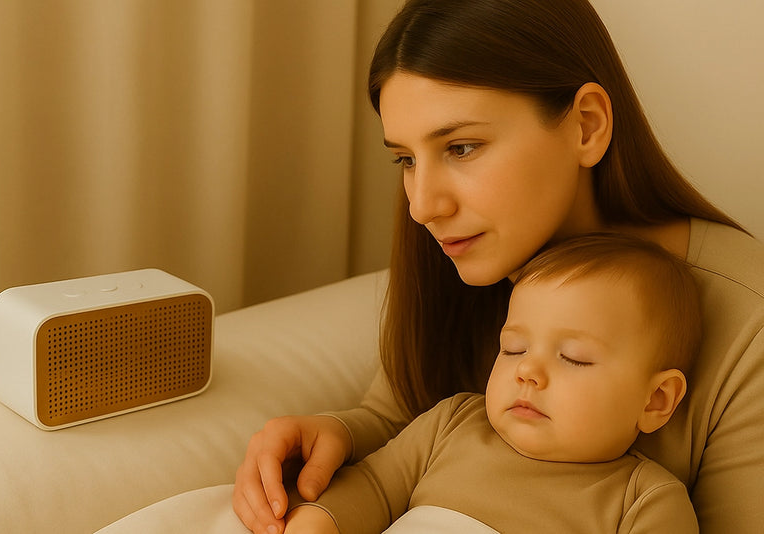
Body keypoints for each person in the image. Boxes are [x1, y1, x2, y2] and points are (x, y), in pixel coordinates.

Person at [232, 1, 764, 533]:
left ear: (586, 125)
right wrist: (337, 434)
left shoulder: (748, 324)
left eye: (461, 147)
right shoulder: (476, 252)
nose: (422, 206)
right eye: (406, 159)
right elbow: (403, 418)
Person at [283, 234, 701, 534]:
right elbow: (372, 487)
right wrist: (318, 522)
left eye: (573, 357)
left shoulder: (643, 501)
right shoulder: (453, 424)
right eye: (514, 348)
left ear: (655, 400)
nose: (527, 371)